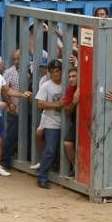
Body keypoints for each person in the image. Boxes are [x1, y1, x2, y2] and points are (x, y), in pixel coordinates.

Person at [35, 60, 64, 189]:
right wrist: (56, 105)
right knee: (50, 149)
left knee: (57, 150)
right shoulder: (46, 85)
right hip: (51, 122)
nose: (55, 74)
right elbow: (40, 104)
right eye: (52, 72)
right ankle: (42, 177)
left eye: (57, 71)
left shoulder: (67, 83)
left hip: (64, 121)